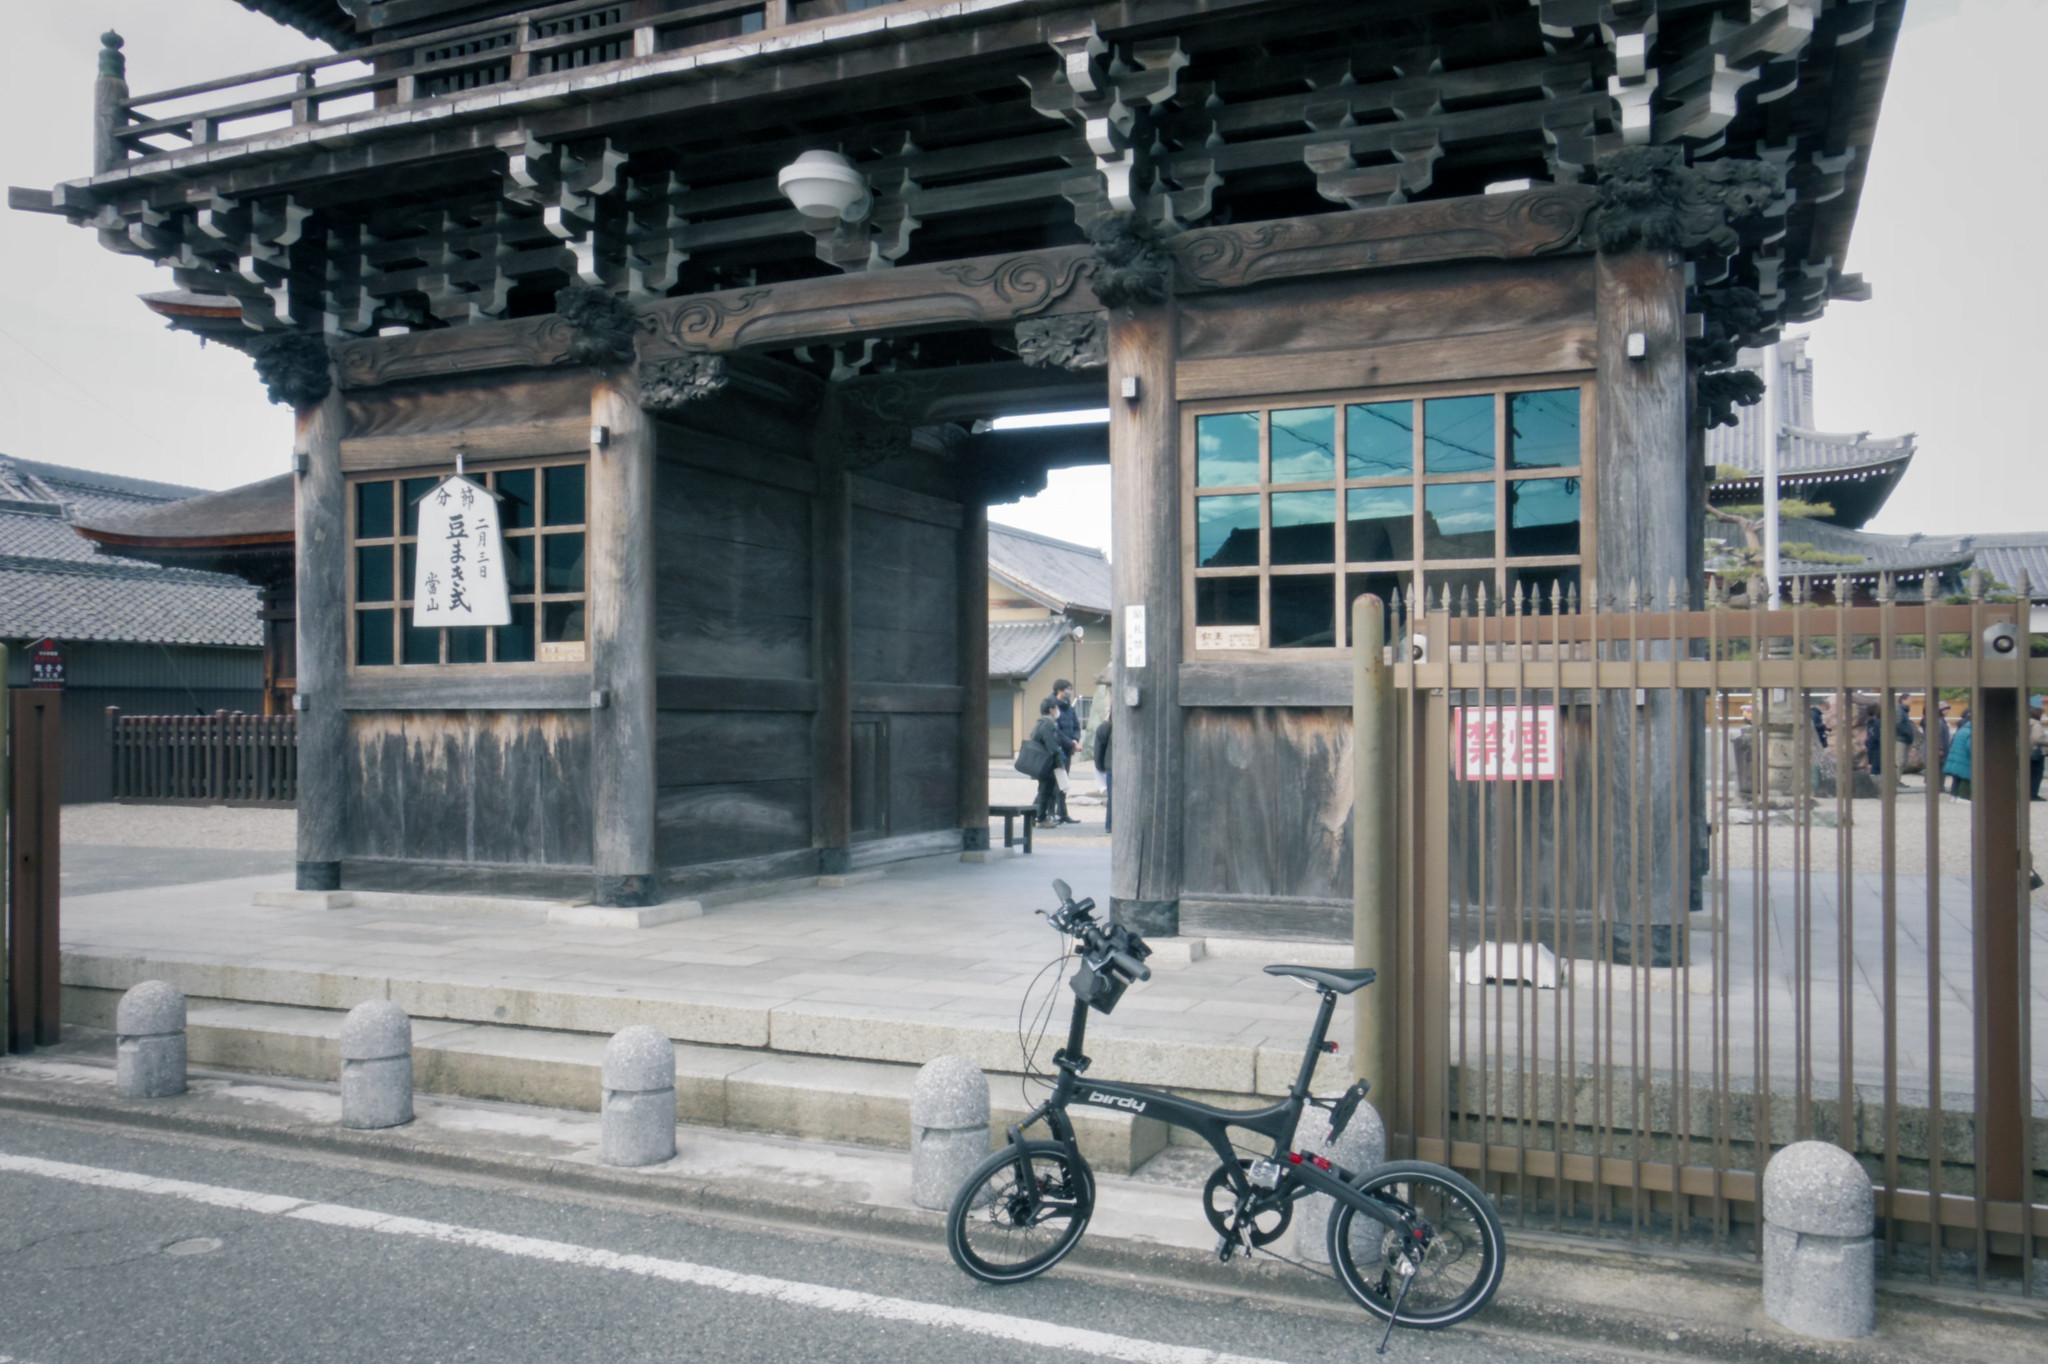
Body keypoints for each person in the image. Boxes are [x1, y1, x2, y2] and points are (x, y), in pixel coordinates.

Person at [1049, 678, 1082, 825]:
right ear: (1059, 690)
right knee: (1053, 782)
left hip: (1068, 749)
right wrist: (1071, 743)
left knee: (1064, 782)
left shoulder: (1069, 707)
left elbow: (1076, 726)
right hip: (1057, 750)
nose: (1069, 692)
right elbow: (1055, 731)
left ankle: (1062, 812)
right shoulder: (1051, 706)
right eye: (1067, 689)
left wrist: (1075, 740)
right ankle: (1048, 813)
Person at [1027, 698, 1063, 825]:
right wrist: (1060, 764)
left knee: (1043, 790)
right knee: (1045, 791)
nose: (1058, 711)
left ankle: (1032, 814)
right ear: (1051, 710)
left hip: (1040, 762)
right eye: (1056, 708)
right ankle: (1041, 818)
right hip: (1047, 763)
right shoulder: (1048, 724)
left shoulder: (1040, 723)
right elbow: (1052, 746)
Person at [1943, 708, 1972, 800]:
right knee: (1965, 777)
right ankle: (1963, 796)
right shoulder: (1971, 732)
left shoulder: (1962, 730)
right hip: (1965, 759)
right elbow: (1970, 747)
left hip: (1957, 758)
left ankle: (1954, 795)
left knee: (1957, 778)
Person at [1092, 713, 1113, 834]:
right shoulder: (1106, 728)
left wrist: (1100, 766)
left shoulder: (1105, 727)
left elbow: (1099, 749)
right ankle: (1110, 824)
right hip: (1113, 766)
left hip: (1111, 766)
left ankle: (1110, 824)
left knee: (1112, 798)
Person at [2030, 701, 2046, 802]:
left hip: (2027, 752)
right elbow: (2038, 738)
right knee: (2036, 775)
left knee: (2029, 774)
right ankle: (2033, 794)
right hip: (2036, 752)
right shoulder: (2037, 725)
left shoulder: (2026, 723)